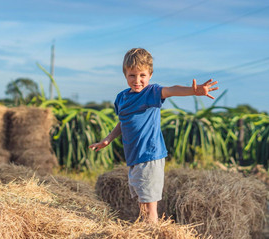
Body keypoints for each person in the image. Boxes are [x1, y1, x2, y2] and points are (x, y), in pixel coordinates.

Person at [89, 48, 219, 224]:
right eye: (132, 75)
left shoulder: (150, 93)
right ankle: (146, 232)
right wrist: (108, 139)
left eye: (142, 75)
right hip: (134, 159)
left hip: (150, 156)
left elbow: (171, 90)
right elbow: (124, 121)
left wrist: (193, 91)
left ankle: (152, 232)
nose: (137, 80)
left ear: (150, 75)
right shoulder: (122, 98)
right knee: (142, 205)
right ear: (125, 75)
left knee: (150, 209)